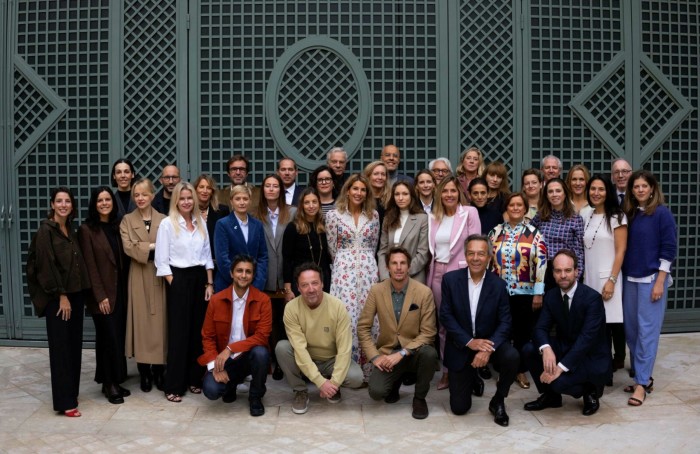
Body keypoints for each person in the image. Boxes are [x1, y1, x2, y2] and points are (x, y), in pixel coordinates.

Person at [440, 235, 519, 426]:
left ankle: (498, 400)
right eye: (471, 253)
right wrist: (470, 342)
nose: (476, 258)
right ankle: (473, 378)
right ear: (465, 256)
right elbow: (446, 316)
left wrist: (486, 349)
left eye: (481, 254)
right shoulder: (450, 280)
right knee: (459, 409)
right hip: (461, 345)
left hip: (489, 343)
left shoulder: (498, 285)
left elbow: (505, 322)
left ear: (489, 257)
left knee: (512, 356)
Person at [26, 187, 91, 417]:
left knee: (73, 347)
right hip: (58, 299)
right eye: (59, 201)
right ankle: (65, 402)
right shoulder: (46, 231)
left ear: (72, 206)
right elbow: (45, 266)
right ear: (52, 204)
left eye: (67, 201)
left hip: (74, 295)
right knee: (61, 350)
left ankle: (70, 393)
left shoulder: (68, 229)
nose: (63, 205)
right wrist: (61, 295)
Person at [522, 250, 611, 416]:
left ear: (577, 271)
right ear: (553, 273)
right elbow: (540, 328)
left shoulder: (592, 299)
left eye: (568, 270)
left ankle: (590, 391)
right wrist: (546, 349)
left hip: (590, 357)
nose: (563, 275)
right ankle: (551, 398)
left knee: (558, 382)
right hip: (566, 347)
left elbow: (586, 340)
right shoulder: (551, 296)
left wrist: (559, 368)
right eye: (558, 271)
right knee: (529, 349)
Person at [358, 247, 437, 419]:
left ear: (409, 267)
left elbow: (429, 332)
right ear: (387, 267)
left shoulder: (424, 292)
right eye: (394, 263)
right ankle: (394, 382)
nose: (399, 267)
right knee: (376, 392)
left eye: (402, 263)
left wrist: (403, 353)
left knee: (430, 353)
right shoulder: (376, 291)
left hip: (414, 352)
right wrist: (375, 357)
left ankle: (419, 398)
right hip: (388, 353)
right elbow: (363, 327)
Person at [275, 263, 364, 414]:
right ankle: (300, 390)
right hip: (305, 357)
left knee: (357, 378)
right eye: (305, 285)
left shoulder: (337, 306)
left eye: (315, 283)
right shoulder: (291, 308)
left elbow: (344, 348)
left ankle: (333, 386)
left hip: (331, 359)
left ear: (322, 284)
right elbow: (299, 349)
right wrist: (320, 382)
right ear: (298, 288)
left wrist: (333, 383)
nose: (311, 289)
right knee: (282, 348)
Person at [155, 182, 215, 402]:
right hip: (178, 279)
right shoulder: (167, 224)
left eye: (190, 198)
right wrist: (175, 284)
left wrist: (209, 284)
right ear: (176, 201)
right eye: (182, 198)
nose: (187, 202)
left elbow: (208, 255)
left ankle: (194, 379)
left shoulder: (201, 223)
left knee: (198, 333)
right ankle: (174, 385)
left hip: (200, 279)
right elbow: (161, 262)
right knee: (179, 334)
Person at [622, 170, 676, 407]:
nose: (640, 190)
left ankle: (642, 384)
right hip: (630, 281)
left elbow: (669, 248)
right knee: (632, 332)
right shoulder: (630, 214)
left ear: (652, 189)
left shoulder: (662, 214)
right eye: (636, 187)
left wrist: (660, 281)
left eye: (645, 186)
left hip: (652, 281)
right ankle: (641, 377)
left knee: (647, 334)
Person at [198, 255, 272, 416]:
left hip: (248, 356)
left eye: (248, 272)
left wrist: (231, 348)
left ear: (253, 276)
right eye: (239, 271)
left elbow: (262, 336)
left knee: (261, 352)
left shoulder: (263, 300)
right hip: (224, 359)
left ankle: (255, 396)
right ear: (231, 273)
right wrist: (214, 366)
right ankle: (230, 386)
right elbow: (208, 336)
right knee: (211, 390)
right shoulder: (216, 300)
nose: (243, 275)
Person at [427, 176, 481, 390]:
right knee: (443, 325)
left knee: (466, 323)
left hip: (461, 274)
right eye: (445, 191)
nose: (449, 194)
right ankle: (447, 371)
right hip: (437, 274)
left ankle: (470, 371)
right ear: (439, 194)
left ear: (459, 192)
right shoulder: (432, 217)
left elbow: (477, 243)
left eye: (453, 190)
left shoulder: (470, 213)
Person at [489, 193, 547, 390]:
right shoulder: (495, 232)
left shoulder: (534, 233)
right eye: (511, 205)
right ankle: (505, 371)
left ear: (524, 209)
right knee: (502, 332)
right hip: (499, 293)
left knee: (523, 333)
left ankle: (520, 370)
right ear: (506, 208)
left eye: (519, 205)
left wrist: (538, 291)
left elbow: (541, 263)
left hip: (526, 294)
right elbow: (488, 263)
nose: (515, 208)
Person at [79, 186, 130, 404]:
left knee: (116, 336)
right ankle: (109, 384)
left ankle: (112, 380)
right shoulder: (86, 230)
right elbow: (89, 266)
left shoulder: (118, 226)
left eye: (108, 199)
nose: (104, 203)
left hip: (120, 291)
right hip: (102, 295)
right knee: (108, 338)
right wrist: (100, 296)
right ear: (94, 204)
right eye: (100, 200)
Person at [326, 174, 380, 379]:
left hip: (367, 269)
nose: (358, 193)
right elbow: (332, 246)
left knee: (369, 315)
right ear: (347, 191)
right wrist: (345, 263)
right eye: (355, 189)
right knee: (345, 316)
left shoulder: (373, 215)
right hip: (343, 270)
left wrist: (364, 260)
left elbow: (373, 244)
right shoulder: (334, 215)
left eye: (362, 190)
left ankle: (369, 368)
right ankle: (347, 368)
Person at [120, 178, 167, 393]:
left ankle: (158, 370)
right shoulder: (127, 220)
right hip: (138, 275)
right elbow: (128, 248)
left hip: (159, 275)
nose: (140, 198)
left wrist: (146, 246)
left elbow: (169, 246)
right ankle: (144, 371)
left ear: (152, 196)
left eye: (144, 194)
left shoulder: (164, 220)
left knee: (159, 324)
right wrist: (152, 246)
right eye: (136, 195)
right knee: (140, 323)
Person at [581, 176, 627, 381]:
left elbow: (621, 250)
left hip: (608, 277)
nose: (596, 193)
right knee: (595, 326)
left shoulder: (617, 216)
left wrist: (612, 280)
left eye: (601, 189)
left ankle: (607, 371)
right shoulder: (586, 214)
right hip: (589, 277)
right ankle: (600, 368)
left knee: (609, 325)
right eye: (593, 189)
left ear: (608, 192)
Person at [253, 174, 294, 380]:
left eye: (275, 186)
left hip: (287, 277)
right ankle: (274, 362)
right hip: (265, 277)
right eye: (267, 186)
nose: (271, 189)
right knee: (271, 323)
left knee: (288, 321)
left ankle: (288, 363)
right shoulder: (255, 215)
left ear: (281, 190)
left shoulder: (293, 213)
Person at [531, 178, 584, 290]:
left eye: (558, 191)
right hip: (543, 271)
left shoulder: (575, 219)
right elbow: (529, 239)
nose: (554, 194)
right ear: (546, 196)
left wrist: (576, 278)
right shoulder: (540, 216)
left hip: (565, 272)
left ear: (565, 194)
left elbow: (579, 251)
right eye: (550, 191)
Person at [214, 185, 268, 292]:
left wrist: (258, 281)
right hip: (228, 284)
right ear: (231, 201)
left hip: (254, 285)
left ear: (250, 201)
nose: (242, 202)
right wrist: (239, 281)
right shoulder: (222, 224)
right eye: (238, 199)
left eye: (245, 199)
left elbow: (263, 256)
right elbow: (222, 258)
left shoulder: (257, 225)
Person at [282, 188, 332, 297]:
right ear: (302, 206)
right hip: (300, 282)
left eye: (314, 202)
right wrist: (288, 288)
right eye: (307, 202)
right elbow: (287, 260)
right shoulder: (293, 227)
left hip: (323, 280)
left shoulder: (324, 226)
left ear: (319, 204)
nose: (311, 206)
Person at [377, 182, 430, 284]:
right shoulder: (388, 219)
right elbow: (382, 251)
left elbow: (423, 253)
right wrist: (385, 276)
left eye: (405, 194)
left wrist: (402, 272)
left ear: (412, 196)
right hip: (389, 278)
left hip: (414, 277)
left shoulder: (422, 219)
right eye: (397, 194)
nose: (400, 198)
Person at [193, 174, 230, 264]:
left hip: (215, 262)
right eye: (201, 187)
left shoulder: (222, 211)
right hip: (194, 263)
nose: (205, 191)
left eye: (208, 188)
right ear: (195, 190)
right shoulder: (187, 211)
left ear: (212, 191)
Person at [363, 160, 391, 228]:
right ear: (368, 176)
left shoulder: (391, 199)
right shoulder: (362, 198)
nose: (380, 177)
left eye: (383, 174)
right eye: (376, 174)